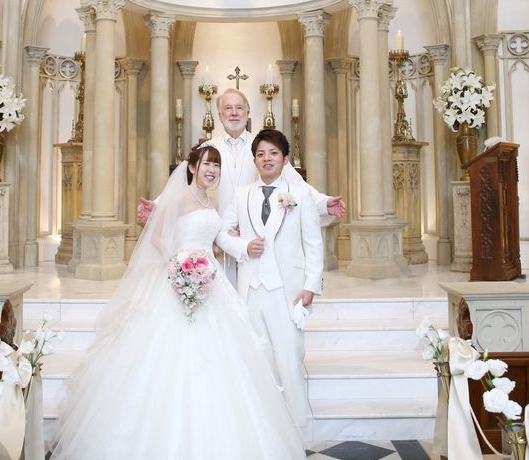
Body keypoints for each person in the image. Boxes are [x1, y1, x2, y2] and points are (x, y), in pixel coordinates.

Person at [50, 145, 306, 460]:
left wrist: (232, 242)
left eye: (216, 166)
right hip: (179, 278)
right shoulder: (178, 198)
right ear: (192, 167)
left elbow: (215, 238)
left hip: (211, 280)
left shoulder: (211, 201)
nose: (211, 170)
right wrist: (180, 266)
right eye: (206, 164)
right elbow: (158, 238)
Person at [138, 88, 345, 282]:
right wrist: (156, 207)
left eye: (239, 108)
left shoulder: (263, 147)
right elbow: (185, 186)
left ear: (248, 112)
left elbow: (295, 182)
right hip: (217, 240)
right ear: (220, 115)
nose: (234, 113)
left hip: (254, 240)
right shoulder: (207, 150)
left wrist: (324, 203)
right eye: (228, 108)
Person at [216, 129, 323, 435]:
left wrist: (311, 286)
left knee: (289, 361)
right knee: (257, 360)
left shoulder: (300, 194)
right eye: (261, 154)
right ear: (254, 160)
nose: (267, 159)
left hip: (287, 291)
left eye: (273, 153)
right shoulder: (242, 194)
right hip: (250, 289)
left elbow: (313, 244)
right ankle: (264, 432)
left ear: (285, 159)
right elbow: (222, 232)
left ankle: (296, 431)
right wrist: (243, 247)